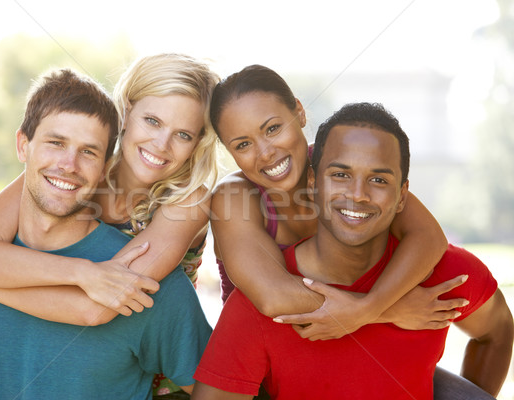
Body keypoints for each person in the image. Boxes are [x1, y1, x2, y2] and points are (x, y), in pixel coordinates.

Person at [0, 53, 219, 398]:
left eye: (184, 135)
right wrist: (83, 273)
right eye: (153, 121)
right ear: (126, 111)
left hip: (164, 378)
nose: (161, 145)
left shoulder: (188, 200)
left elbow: (97, 306)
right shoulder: (78, 164)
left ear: (198, 142)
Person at [205, 65, 493, 398]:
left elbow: (429, 237)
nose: (266, 152)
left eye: (272, 128)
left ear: (299, 111)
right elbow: (273, 297)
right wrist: (382, 311)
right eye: (243, 145)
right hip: (270, 367)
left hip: (357, 353)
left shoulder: (341, 162)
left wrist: (365, 311)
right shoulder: (235, 196)